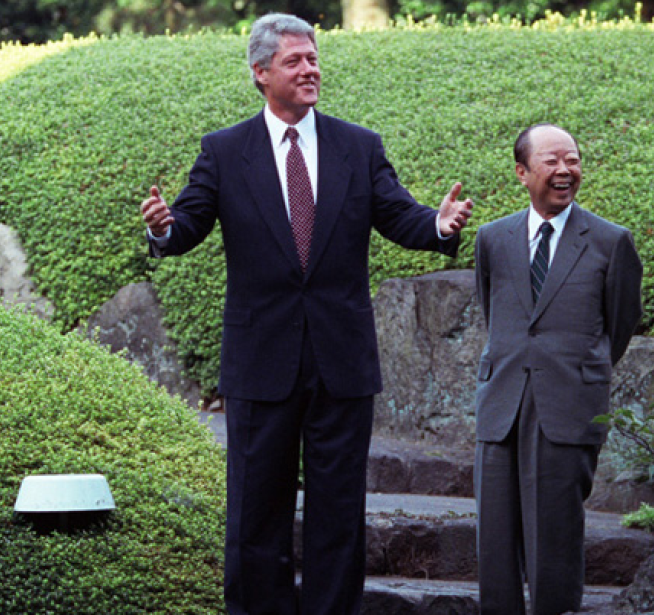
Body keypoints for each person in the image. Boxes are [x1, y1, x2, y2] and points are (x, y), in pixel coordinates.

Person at [140, 13, 473, 615]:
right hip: (260, 358)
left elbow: (400, 215)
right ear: (260, 73)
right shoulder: (224, 151)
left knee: (338, 511)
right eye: (295, 61)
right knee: (254, 512)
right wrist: (163, 228)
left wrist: (437, 225)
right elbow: (187, 224)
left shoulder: (358, 145)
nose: (310, 69)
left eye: (314, 58)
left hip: (340, 360)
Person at [473, 124, 642, 615]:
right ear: (522, 172)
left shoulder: (611, 242)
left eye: (573, 160)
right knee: (494, 546)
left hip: (568, 408)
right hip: (501, 403)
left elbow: (619, 325)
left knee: (555, 546)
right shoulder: (492, 239)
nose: (566, 170)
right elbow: (496, 314)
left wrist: (573, 370)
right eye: (552, 161)